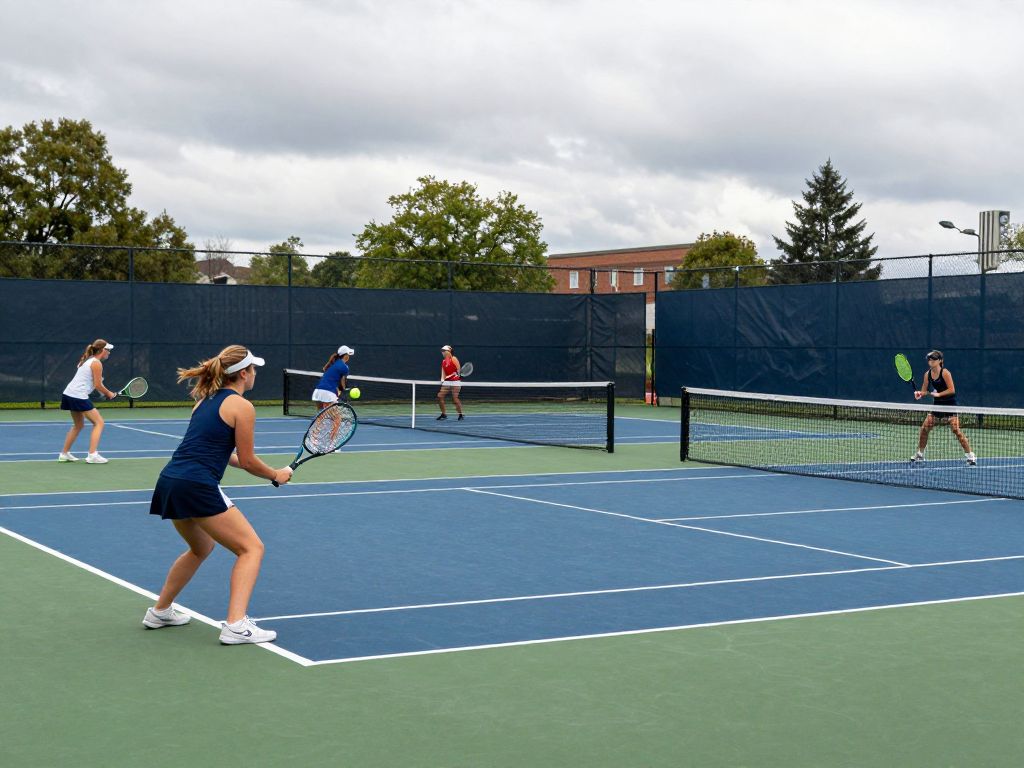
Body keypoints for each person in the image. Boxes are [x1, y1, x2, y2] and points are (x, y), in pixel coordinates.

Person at [144, 345, 293, 645]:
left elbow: (222, 454)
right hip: (197, 485)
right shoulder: (242, 407)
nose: (255, 375)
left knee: (200, 547)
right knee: (251, 548)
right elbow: (248, 460)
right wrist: (275, 474)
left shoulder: (204, 402)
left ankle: (159, 611)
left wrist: (273, 471)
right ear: (243, 373)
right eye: (254, 369)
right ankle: (236, 625)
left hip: (170, 480)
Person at [910, 350, 976, 466]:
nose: (930, 360)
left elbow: (952, 390)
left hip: (949, 405)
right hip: (937, 406)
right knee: (925, 428)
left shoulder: (945, 373)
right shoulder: (928, 374)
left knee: (956, 430)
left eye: (933, 358)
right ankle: (920, 454)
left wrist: (939, 394)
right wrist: (919, 394)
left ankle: (971, 456)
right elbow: (925, 391)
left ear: (940, 361)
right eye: (929, 358)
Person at [58, 339, 118, 464]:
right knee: (99, 423)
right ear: (102, 350)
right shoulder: (96, 363)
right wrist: (109, 393)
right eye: (108, 350)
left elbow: (94, 383)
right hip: (78, 395)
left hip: (69, 394)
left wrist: (106, 392)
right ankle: (92, 455)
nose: (109, 353)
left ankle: (64, 454)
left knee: (78, 425)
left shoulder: (88, 360)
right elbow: (97, 385)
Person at [312, 345, 354, 410]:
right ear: (345, 356)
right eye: (348, 354)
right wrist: (344, 391)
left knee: (321, 416)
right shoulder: (344, 367)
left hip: (317, 391)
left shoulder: (332, 364)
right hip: (328, 393)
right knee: (337, 418)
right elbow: (342, 383)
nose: (349, 356)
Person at [436, 344, 464, 420]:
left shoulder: (454, 359)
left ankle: (460, 414)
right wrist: (442, 380)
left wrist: (459, 375)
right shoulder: (443, 361)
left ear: (449, 351)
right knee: (439, 396)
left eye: (444, 351)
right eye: (442, 351)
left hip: (455, 381)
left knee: (455, 399)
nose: (443, 352)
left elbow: (459, 370)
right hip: (447, 382)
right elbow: (443, 373)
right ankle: (444, 414)